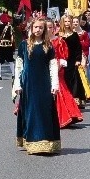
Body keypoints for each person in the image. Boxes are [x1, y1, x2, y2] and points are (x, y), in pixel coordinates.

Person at [13, 17, 61, 154]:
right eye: (36, 27)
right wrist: (17, 84)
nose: (38, 30)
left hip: (44, 82)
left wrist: (55, 84)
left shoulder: (48, 45)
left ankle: (46, 141)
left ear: (44, 29)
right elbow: (19, 66)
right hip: (28, 83)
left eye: (41, 27)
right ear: (31, 28)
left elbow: (52, 66)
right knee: (31, 111)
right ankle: (32, 140)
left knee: (44, 110)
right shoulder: (24, 45)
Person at [47, 19, 83, 128]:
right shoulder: (39, 42)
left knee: (61, 91)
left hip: (57, 70)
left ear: (54, 28)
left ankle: (67, 115)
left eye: (50, 27)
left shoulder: (59, 41)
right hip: (42, 71)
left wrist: (55, 69)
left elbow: (63, 57)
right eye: (46, 27)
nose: (48, 29)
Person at [60, 15, 87, 108]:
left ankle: (75, 98)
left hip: (72, 59)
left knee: (74, 79)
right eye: (66, 21)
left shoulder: (74, 34)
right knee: (64, 79)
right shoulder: (59, 35)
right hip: (62, 60)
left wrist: (78, 59)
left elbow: (78, 48)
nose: (67, 23)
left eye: (69, 21)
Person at [0, 14, 15, 79]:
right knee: (10, 60)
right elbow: (12, 38)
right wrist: (13, 47)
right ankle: (13, 74)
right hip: (8, 45)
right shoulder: (10, 27)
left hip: (0, 45)